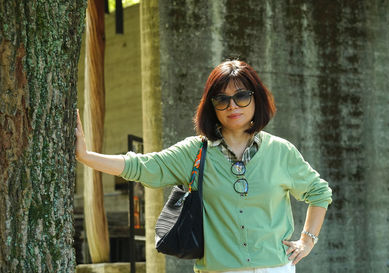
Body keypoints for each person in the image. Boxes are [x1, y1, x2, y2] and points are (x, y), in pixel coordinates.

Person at [75, 60, 332, 273]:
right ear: (212, 107)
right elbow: (142, 165)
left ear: (256, 99)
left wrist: (308, 240)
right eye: (222, 99)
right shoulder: (195, 152)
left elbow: (319, 192)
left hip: (276, 267)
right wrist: (87, 157)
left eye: (241, 96)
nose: (232, 105)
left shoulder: (280, 151)